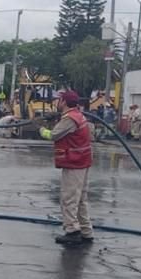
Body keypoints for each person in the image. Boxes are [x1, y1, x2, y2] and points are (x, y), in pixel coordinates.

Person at [39, 89, 94, 245]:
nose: (57, 102)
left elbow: (54, 135)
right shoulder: (77, 115)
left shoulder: (69, 119)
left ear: (63, 101)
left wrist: (41, 129)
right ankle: (86, 231)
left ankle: (72, 231)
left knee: (69, 198)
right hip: (82, 161)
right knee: (81, 199)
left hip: (74, 163)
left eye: (59, 100)